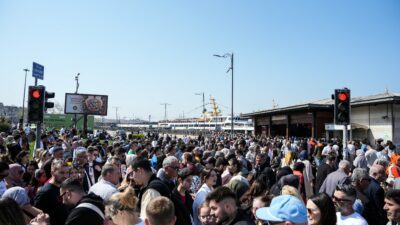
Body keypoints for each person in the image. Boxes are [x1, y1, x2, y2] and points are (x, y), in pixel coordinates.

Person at [34, 159, 69, 225]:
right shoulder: (45, 192)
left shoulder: (64, 187)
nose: (65, 176)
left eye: (67, 172)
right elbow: (37, 215)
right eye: (61, 172)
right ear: (52, 172)